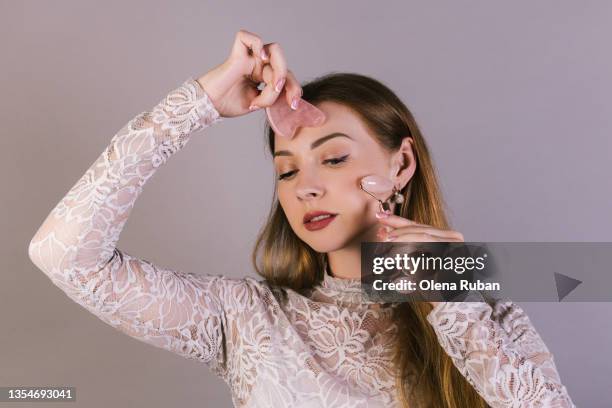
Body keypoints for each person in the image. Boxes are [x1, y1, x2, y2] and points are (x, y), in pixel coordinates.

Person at [28, 29, 576, 407]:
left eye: (334, 159)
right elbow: (64, 257)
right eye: (286, 171)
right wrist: (198, 105)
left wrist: (450, 299)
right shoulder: (247, 319)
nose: (305, 187)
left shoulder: (483, 307)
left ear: (401, 163)